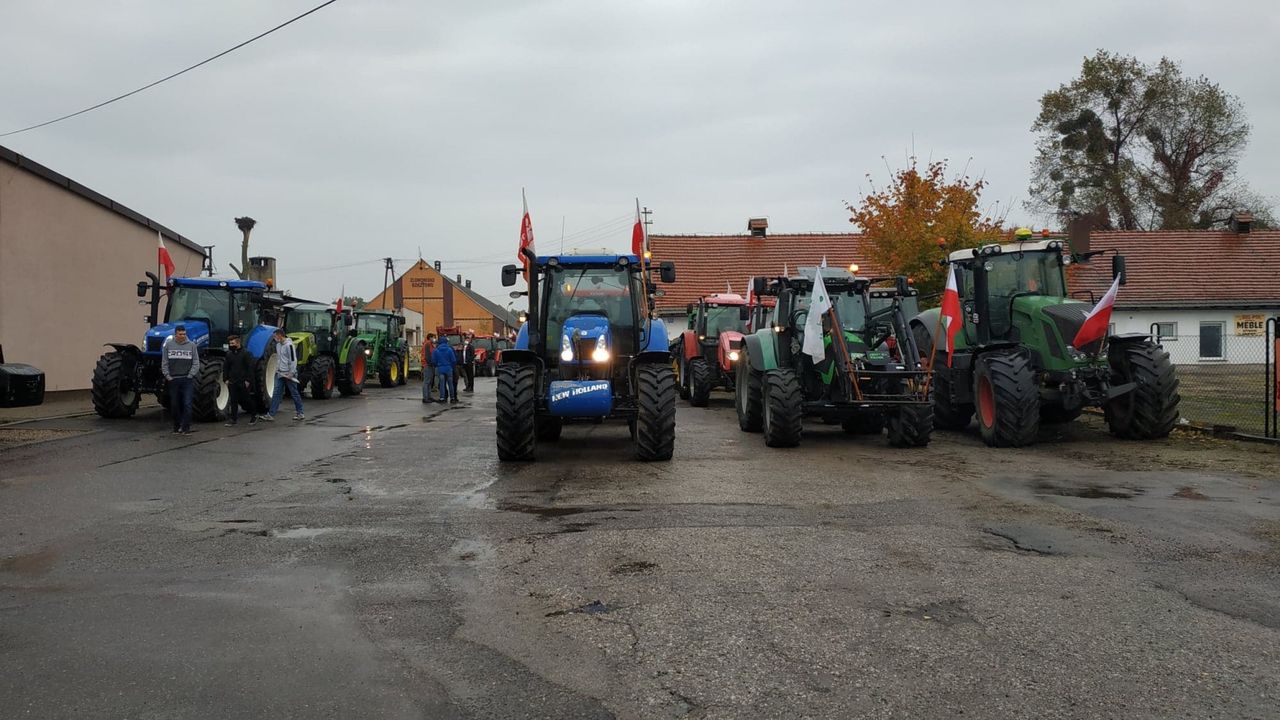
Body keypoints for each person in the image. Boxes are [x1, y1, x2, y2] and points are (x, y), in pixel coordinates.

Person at [161, 323, 200, 434]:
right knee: (174, 404)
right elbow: (164, 362)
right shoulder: (168, 345)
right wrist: (168, 376)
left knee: (187, 404)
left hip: (187, 380)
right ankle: (176, 425)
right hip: (173, 380)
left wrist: (190, 375)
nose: (182, 336)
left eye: (184, 334)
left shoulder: (192, 345)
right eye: (180, 334)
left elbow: (196, 362)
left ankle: (186, 427)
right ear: (175, 334)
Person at [262, 327, 304, 421]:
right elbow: (279, 358)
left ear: (280, 335)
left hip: (289, 374)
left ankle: (300, 412)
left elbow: (293, 360)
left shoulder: (289, 345)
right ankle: (271, 414)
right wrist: (277, 369)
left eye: (276, 336)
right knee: (276, 393)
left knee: (294, 393)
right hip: (280, 373)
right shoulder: (278, 345)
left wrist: (292, 372)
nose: (275, 338)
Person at [223, 334, 257, 426]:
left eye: (232, 343)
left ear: (238, 343)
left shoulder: (246, 353)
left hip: (243, 381)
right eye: (230, 343)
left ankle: (254, 416)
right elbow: (226, 367)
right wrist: (225, 379)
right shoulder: (229, 354)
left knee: (246, 400)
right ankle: (233, 420)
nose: (231, 345)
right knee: (233, 400)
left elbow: (250, 368)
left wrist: (248, 380)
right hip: (232, 381)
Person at [431, 333, 458, 404]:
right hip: (449, 368)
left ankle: (442, 398)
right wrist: (451, 366)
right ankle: (452, 398)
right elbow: (454, 360)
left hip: (440, 368)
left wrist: (438, 365)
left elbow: (433, 361)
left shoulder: (436, 350)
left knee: (442, 384)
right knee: (450, 384)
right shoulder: (449, 350)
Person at [421, 332, 437, 403]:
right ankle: (425, 398)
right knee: (427, 382)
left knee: (429, 382)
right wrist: (431, 363)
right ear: (430, 338)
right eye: (433, 337)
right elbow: (427, 355)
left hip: (429, 365)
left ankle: (429, 396)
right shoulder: (427, 344)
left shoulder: (430, 344)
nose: (434, 339)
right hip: (427, 365)